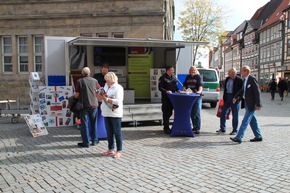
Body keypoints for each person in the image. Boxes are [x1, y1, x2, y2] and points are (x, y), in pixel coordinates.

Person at [230, 65, 263, 144]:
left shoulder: (252, 79)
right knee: (253, 121)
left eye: (242, 71)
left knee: (245, 120)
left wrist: (258, 104)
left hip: (252, 104)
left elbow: (257, 92)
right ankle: (258, 136)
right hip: (247, 103)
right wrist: (236, 97)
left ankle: (239, 137)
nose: (241, 72)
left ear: (247, 71)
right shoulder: (245, 80)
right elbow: (242, 90)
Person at [96, 72, 124, 159]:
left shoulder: (118, 88)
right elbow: (102, 99)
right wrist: (99, 97)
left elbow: (118, 101)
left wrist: (107, 99)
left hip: (115, 113)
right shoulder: (105, 86)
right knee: (109, 132)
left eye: (107, 80)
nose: (106, 82)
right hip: (106, 112)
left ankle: (119, 150)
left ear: (111, 80)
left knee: (117, 132)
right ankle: (110, 149)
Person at [74, 67, 99, 148]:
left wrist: (73, 98)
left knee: (84, 124)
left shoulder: (79, 81)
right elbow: (100, 90)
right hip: (94, 105)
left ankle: (86, 142)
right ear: (89, 73)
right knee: (93, 123)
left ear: (82, 73)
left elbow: (77, 95)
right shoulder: (95, 81)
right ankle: (95, 141)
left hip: (84, 106)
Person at [216, 67, 243, 135]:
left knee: (235, 114)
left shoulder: (239, 80)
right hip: (227, 97)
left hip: (234, 98)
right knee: (223, 113)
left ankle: (235, 130)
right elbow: (225, 89)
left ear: (234, 73)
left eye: (229, 72)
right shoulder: (228, 79)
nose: (228, 73)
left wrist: (237, 98)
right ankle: (222, 128)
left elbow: (241, 90)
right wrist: (224, 97)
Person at [158, 66, 180, 134]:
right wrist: (166, 91)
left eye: (173, 70)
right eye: (171, 70)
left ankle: (169, 126)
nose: (172, 71)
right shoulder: (163, 78)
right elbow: (160, 87)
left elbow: (175, 86)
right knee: (166, 113)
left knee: (170, 112)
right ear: (167, 71)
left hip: (173, 98)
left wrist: (178, 90)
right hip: (166, 98)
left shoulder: (173, 77)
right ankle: (166, 127)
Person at [182, 66, 203, 134]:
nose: (192, 71)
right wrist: (184, 89)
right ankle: (194, 126)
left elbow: (200, 86)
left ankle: (197, 128)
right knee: (191, 113)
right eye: (191, 70)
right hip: (189, 97)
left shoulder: (198, 77)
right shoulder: (188, 77)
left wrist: (199, 91)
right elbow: (184, 85)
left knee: (196, 112)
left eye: (194, 70)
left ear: (196, 70)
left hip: (196, 97)